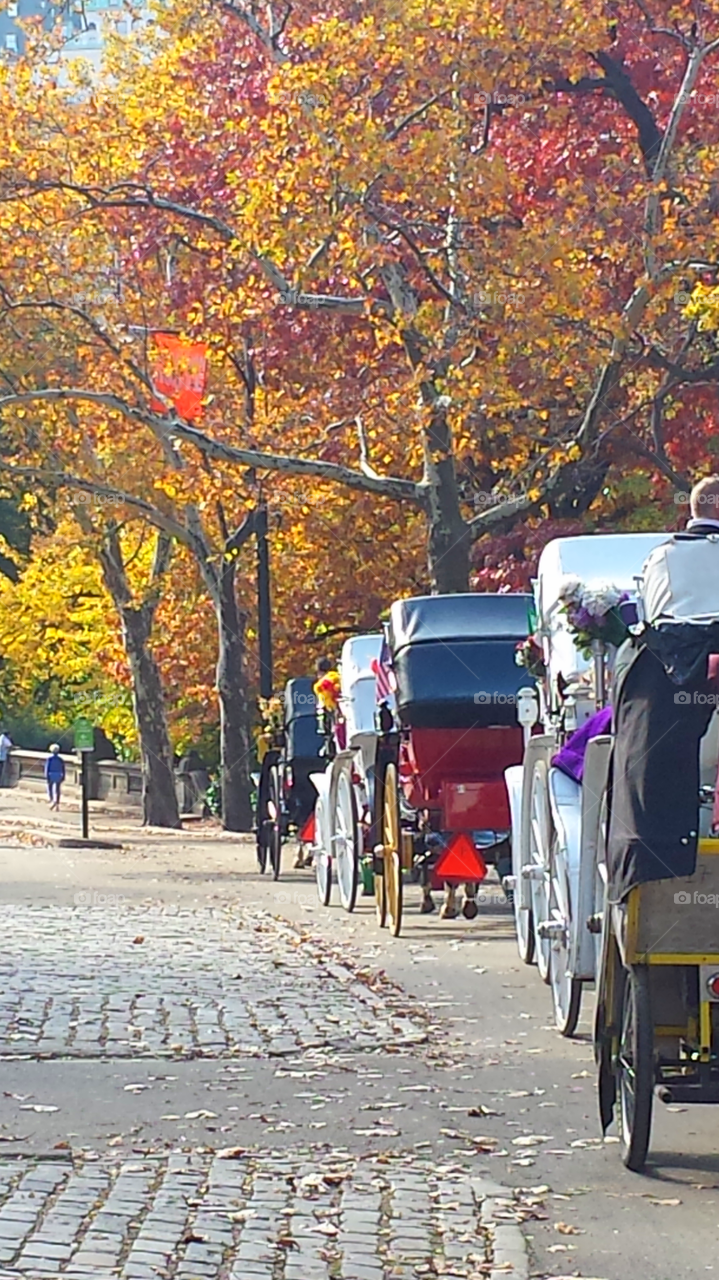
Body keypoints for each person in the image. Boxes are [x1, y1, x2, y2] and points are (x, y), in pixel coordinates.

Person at [45, 744, 65, 811]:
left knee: (49, 787)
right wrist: (63, 776)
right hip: (59, 774)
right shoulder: (60, 759)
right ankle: (57, 802)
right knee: (57, 789)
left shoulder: (49, 759)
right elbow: (63, 768)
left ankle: (52, 800)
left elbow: (47, 768)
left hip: (51, 774)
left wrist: (46, 776)